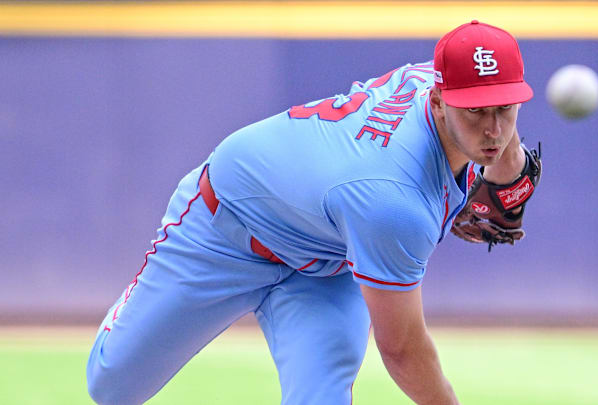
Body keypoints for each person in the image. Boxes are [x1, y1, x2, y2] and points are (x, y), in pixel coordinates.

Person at [87, 20, 535, 405]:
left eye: (506, 107)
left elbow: (494, 114)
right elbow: (401, 349)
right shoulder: (393, 201)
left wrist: (509, 167)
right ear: (438, 101)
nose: (493, 128)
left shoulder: (434, 80)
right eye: (475, 111)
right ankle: (131, 312)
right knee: (111, 387)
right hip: (224, 228)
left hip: (325, 263)